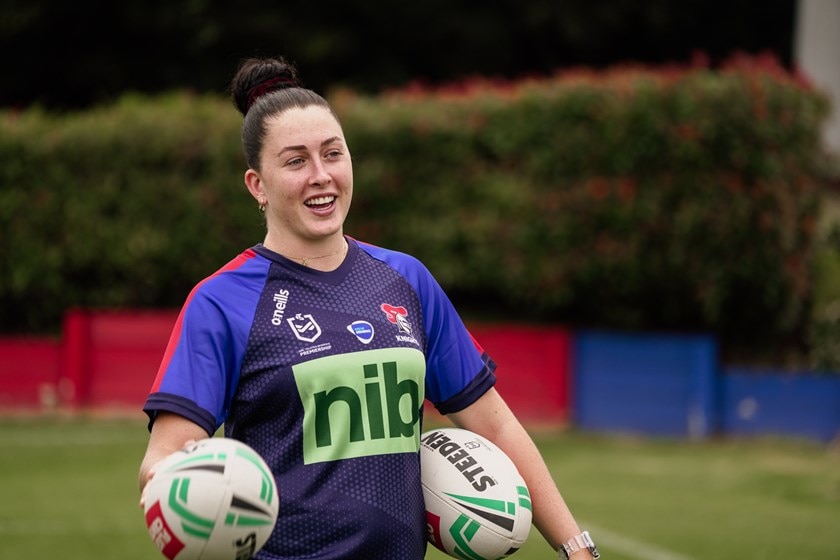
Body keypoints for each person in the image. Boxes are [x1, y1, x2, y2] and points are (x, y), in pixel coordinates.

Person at [138, 55, 599, 560]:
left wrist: (576, 547)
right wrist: (193, 490)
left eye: (332, 154)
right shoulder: (221, 300)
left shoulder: (406, 280)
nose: (320, 175)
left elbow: (494, 424)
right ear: (257, 186)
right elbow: (163, 457)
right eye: (295, 161)